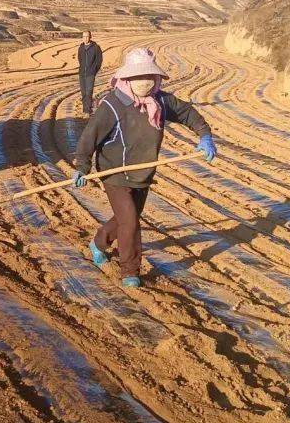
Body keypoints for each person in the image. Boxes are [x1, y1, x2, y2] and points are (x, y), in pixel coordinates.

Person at [72, 47, 216, 288]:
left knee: (126, 218)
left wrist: (204, 135)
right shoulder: (112, 104)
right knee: (130, 221)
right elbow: (89, 137)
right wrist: (81, 167)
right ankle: (130, 270)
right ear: (126, 78)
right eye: (138, 77)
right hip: (114, 172)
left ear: (156, 78)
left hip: (143, 172)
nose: (144, 83)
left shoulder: (160, 101)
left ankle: (99, 242)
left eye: (148, 77)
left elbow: (187, 113)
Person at [77, 31, 103, 114]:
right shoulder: (81, 47)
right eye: (84, 36)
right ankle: (85, 109)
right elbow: (80, 59)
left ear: (90, 37)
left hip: (90, 74)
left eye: (87, 36)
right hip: (82, 73)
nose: (86, 38)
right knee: (83, 93)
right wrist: (82, 68)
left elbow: (99, 60)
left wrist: (94, 70)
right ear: (82, 37)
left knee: (89, 92)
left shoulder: (95, 47)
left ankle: (87, 111)